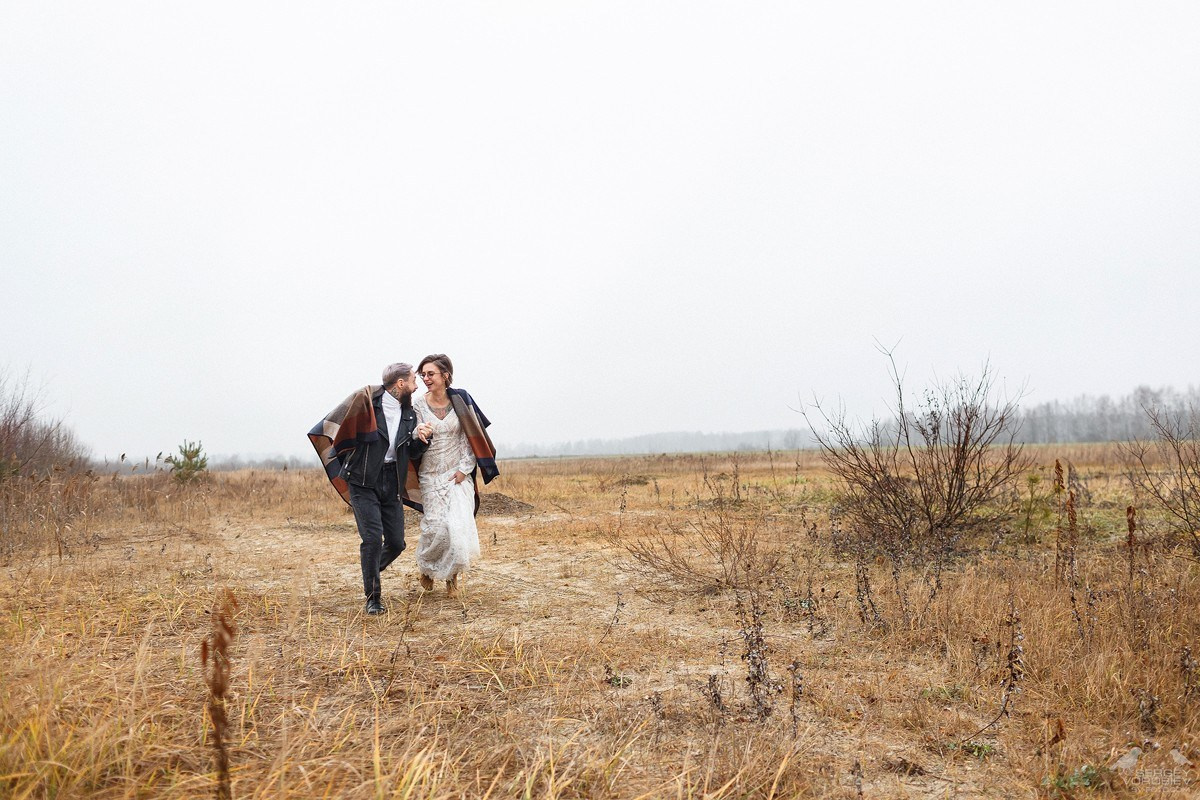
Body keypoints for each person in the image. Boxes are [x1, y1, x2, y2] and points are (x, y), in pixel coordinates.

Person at [308, 363, 434, 615]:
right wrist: (352, 466)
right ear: (400, 384)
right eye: (412, 381)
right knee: (373, 539)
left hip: (392, 482)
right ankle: (373, 597)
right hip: (363, 481)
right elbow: (341, 436)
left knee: (397, 543)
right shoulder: (365, 404)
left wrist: (422, 439)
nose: (416, 385)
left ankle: (371, 570)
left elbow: (408, 452)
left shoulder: (409, 414)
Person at [409, 354, 499, 597]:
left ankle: (452, 580)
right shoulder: (418, 405)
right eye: (423, 375)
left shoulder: (460, 400)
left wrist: (464, 470)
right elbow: (411, 438)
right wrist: (419, 433)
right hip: (430, 474)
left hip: (458, 473)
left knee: (456, 528)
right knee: (434, 526)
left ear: (445, 375)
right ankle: (427, 568)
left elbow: (470, 436)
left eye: (430, 374)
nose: (426, 379)